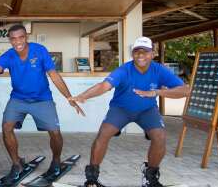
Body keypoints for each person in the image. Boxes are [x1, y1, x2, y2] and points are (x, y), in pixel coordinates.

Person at [0, 24, 85, 185]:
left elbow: (54, 75)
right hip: (18, 99)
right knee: (6, 127)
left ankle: (56, 160)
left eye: (21, 37)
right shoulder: (8, 56)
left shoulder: (39, 51)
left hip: (42, 99)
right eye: (13, 38)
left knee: (55, 132)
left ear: (26, 37)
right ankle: (17, 163)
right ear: (10, 40)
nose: (18, 41)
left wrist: (69, 97)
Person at [68, 37, 190, 187]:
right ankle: (92, 179)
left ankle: (150, 177)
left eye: (145, 52)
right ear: (132, 54)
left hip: (147, 110)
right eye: (137, 52)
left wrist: (156, 92)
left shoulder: (159, 70)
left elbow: (185, 90)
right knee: (103, 134)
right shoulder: (124, 70)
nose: (140, 55)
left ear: (153, 54)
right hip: (121, 109)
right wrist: (83, 96)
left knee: (160, 137)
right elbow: (104, 86)